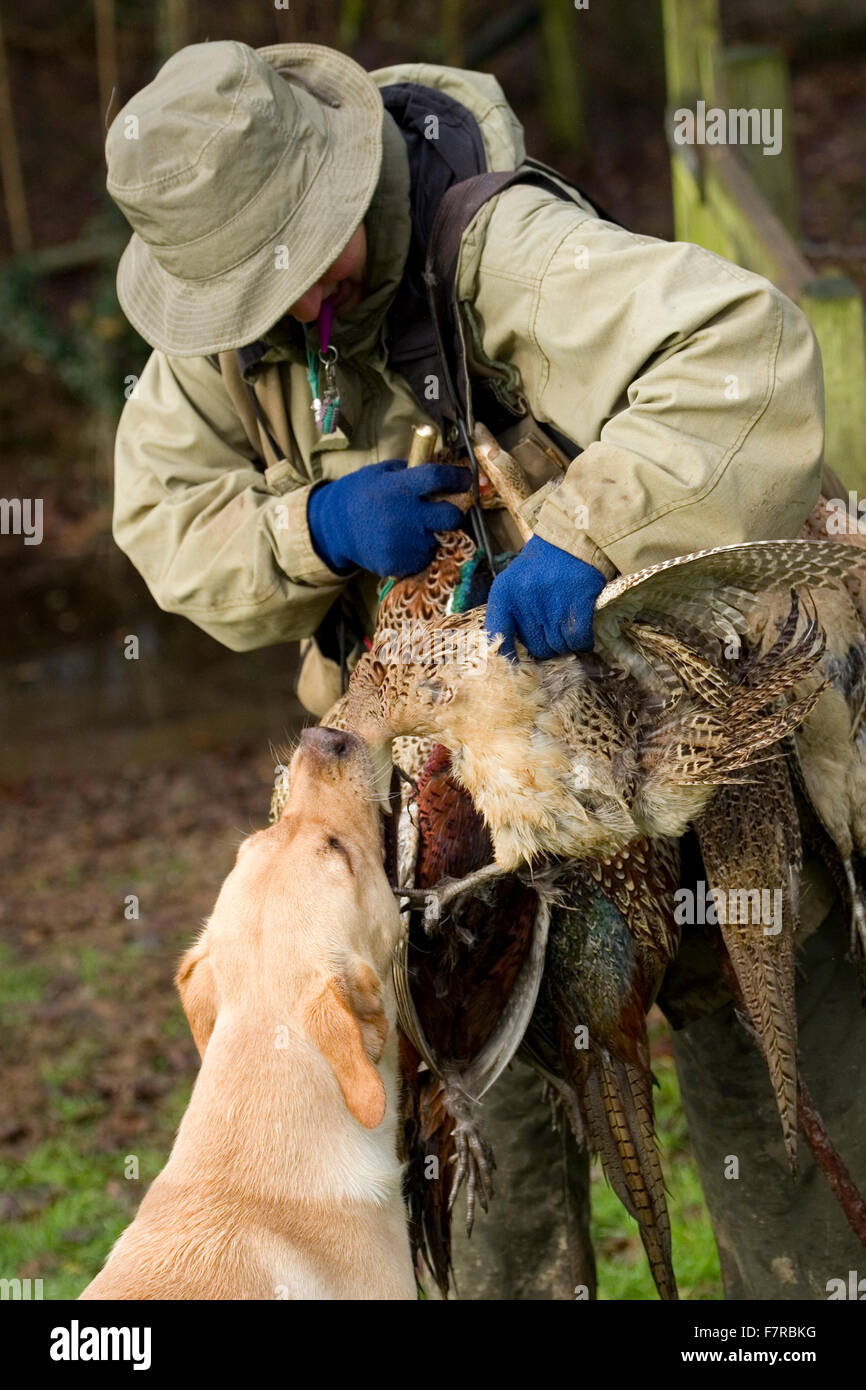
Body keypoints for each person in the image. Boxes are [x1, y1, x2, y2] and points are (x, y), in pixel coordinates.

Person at [106, 40, 862, 1300]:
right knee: (491, 1170)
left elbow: (750, 349)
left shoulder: (503, 248)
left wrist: (585, 531)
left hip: (693, 755)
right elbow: (164, 522)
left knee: (784, 1126)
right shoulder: (223, 317)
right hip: (455, 823)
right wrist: (312, 528)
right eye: (250, 290)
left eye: (295, 267)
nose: (287, 306)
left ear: (337, 186)